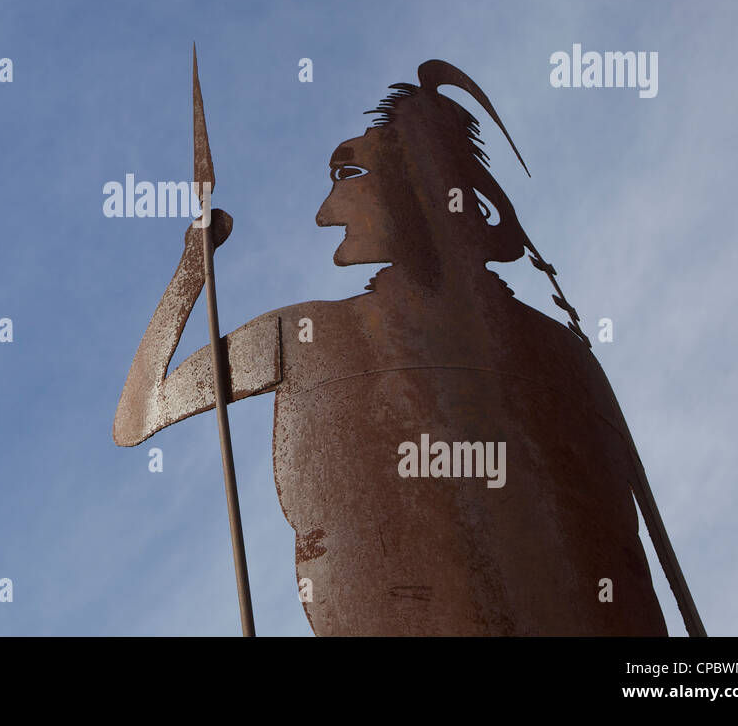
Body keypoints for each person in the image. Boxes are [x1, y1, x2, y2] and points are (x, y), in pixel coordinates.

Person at [114, 60, 668, 635]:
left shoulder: (305, 340)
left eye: (351, 177)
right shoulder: (568, 353)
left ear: (418, 194)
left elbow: (139, 413)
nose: (326, 215)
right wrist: (190, 271)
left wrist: (191, 267)